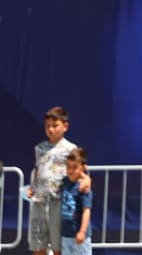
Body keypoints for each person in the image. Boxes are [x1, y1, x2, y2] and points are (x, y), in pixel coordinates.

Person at [27, 106, 90, 255]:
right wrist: (32, 186)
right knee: (38, 244)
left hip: (58, 202)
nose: (51, 129)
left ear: (65, 126)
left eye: (55, 126)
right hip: (39, 202)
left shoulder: (70, 148)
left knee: (57, 246)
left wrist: (87, 179)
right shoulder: (39, 148)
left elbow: (81, 169)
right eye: (48, 126)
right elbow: (39, 169)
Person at [61, 147, 92, 255]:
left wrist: (82, 232)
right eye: (68, 167)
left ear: (83, 168)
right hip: (66, 234)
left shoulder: (84, 187)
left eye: (74, 167)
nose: (70, 171)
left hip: (79, 235)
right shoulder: (65, 181)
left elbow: (86, 211)